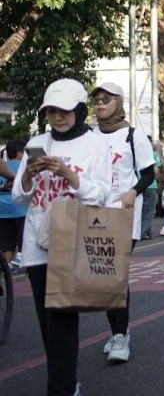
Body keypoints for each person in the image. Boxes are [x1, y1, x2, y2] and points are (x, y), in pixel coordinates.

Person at [13, 78, 112, 396]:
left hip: (74, 240)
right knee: (46, 319)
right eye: (51, 111)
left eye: (65, 111)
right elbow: (19, 197)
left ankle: (62, 387)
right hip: (36, 243)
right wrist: (28, 175)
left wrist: (70, 176)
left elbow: (101, 195)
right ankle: (65, 381)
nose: (57, 117)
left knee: (61, 317)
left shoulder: (96, 144)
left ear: (80, 111)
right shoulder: (38, 141)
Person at [89, 82, 155, 364]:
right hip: (94, 212)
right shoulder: (89, 136)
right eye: (96, 100)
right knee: (104, 276)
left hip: (125, 212)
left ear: (118, 101)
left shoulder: (133, 135)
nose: (100, 104)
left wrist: (132, 192)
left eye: (106, 99)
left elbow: (149, 174)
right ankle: (120, 329)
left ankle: (119, 337)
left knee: (114, 274)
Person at [0, 141, 27, 270]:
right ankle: (21, 256)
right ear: (19, 153)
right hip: (19, 208)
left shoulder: (3, 165)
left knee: (7, 243)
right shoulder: (24, 166)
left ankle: (6, 267)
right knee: (23, 236)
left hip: (2, 210)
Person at [141, 136, 160, 239]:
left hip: (138, 186)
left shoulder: (137, 154)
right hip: (150, 185)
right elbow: (156, 171)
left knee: (141, 211)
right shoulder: (153, 154)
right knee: (149, 212)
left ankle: (148, 232)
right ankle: (142, 233)